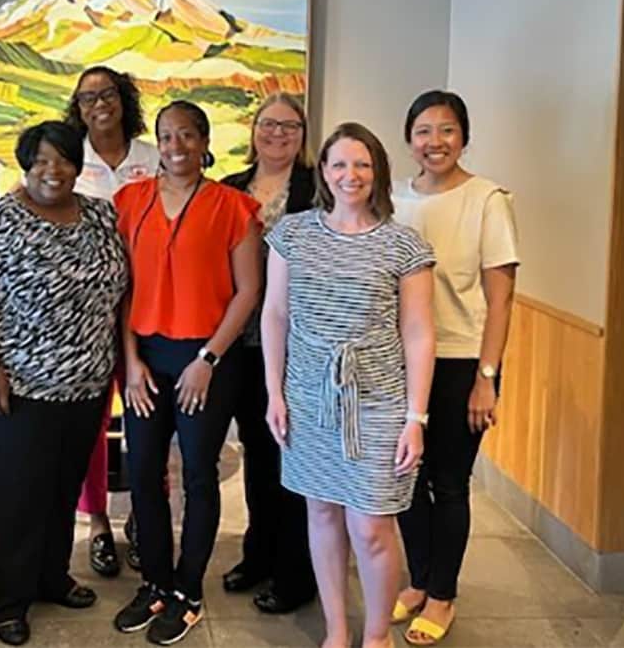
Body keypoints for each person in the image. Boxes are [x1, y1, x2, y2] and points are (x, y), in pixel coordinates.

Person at [261, 121, 435, 648]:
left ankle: (376, 636)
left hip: (379, 402)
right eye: (339, 163)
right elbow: (274, 316)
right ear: (325, 172)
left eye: (362, 164)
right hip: (308, 398)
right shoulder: (292, 233)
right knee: (320, 510)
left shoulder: (404, 244)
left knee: (371, 526)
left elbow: (420, 333)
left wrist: (416, 419)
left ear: (378, 171)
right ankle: (337, 630)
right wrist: (274, 391)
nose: (349, 174)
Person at [0, 121, 129, 646]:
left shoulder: (101, 214)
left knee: (60, 491)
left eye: (63, 159)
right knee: (16, 498)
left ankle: (52, 577)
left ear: (78, 165)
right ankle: (9, 599)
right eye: (40, 160)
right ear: (25, 164)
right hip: (20, 388)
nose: (52, 170)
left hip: (88, 384)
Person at [112, 101, 262, 645]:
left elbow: (248, 292)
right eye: (166, 137)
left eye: (187, 136)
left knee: (199, 473)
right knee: (145, 471)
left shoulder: (234, 206)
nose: (176, 147)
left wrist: (208, 360)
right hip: (145, 357)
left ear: (204, 142)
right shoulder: (131, 201)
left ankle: (188, 590)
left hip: (208, 359)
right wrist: (129, 363)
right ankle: (154, 581)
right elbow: (121, 288)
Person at [392, 90, 519, 646]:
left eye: (446, 130)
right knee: (403, 480)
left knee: (448, 482)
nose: (434, 141)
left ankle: (443, 594)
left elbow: (502, 297)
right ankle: (419, 578)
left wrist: (485, 379)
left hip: (462, 360)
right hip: (398, 362)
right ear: (409, 139)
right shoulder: (394, 200)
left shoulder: (487, 199)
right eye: (424, 130)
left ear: (463, 136)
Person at [218, 92, 318, 613]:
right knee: (258, 454)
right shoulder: (231, 189)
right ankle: (257, 553)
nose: (278, 134)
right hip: (242, 344)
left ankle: (295, 572)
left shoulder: (318, 189)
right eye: (269, 124)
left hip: (299, 345)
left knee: (292, 459)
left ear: (304, 136)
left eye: (291, 126)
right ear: (253, 129)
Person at [63, 65, 159, 576]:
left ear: (124, 99)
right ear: (76, 109)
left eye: (108, 94)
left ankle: (146, 518)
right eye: (87, 98)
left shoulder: (153, 157)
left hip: (150, 306)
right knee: (90, 423)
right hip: (89, 312)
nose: (99, 104)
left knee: (149, 416)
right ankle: (97, 522)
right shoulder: (68, 160)